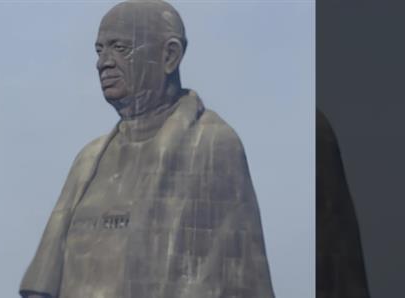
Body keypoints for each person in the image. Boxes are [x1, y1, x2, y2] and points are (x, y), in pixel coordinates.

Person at [20, 1, 274, 297]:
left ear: (169, 55)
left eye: (120, 48)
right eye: (100, 50)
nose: (104, 62)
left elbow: (242, 282)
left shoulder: (213, 145)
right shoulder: (89, 161)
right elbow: (41, 286)